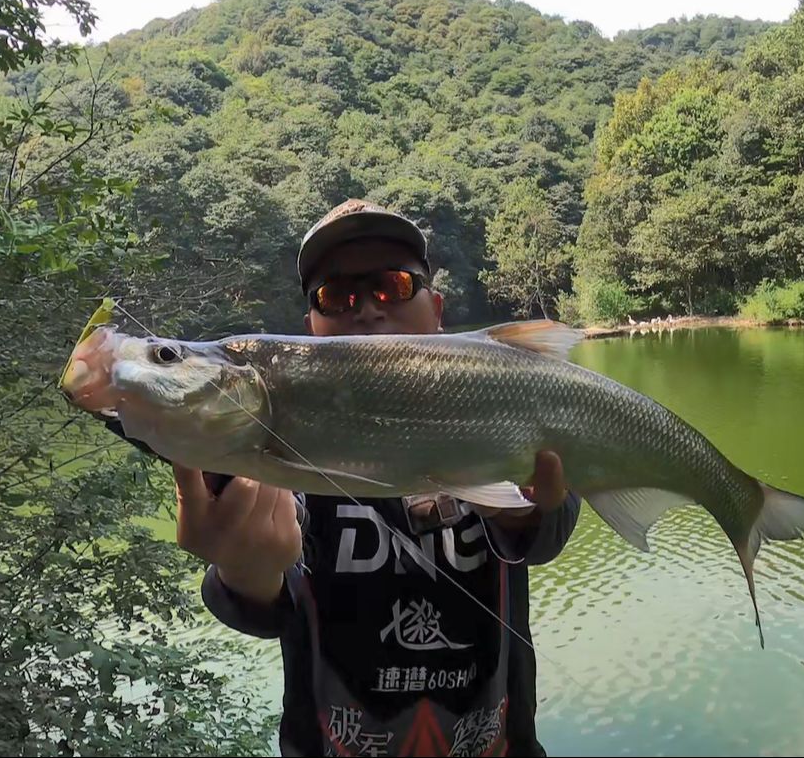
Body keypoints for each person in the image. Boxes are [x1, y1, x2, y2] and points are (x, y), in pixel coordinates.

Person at [170, 199, 582, 757]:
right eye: (334, 296)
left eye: (391, 286)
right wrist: (243, 570)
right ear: (310, 329)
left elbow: (548, 535)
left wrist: (529, 510)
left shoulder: (504, 403)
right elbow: (258, 610)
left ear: (435, 308)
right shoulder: (274, 440)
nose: (364, 308)